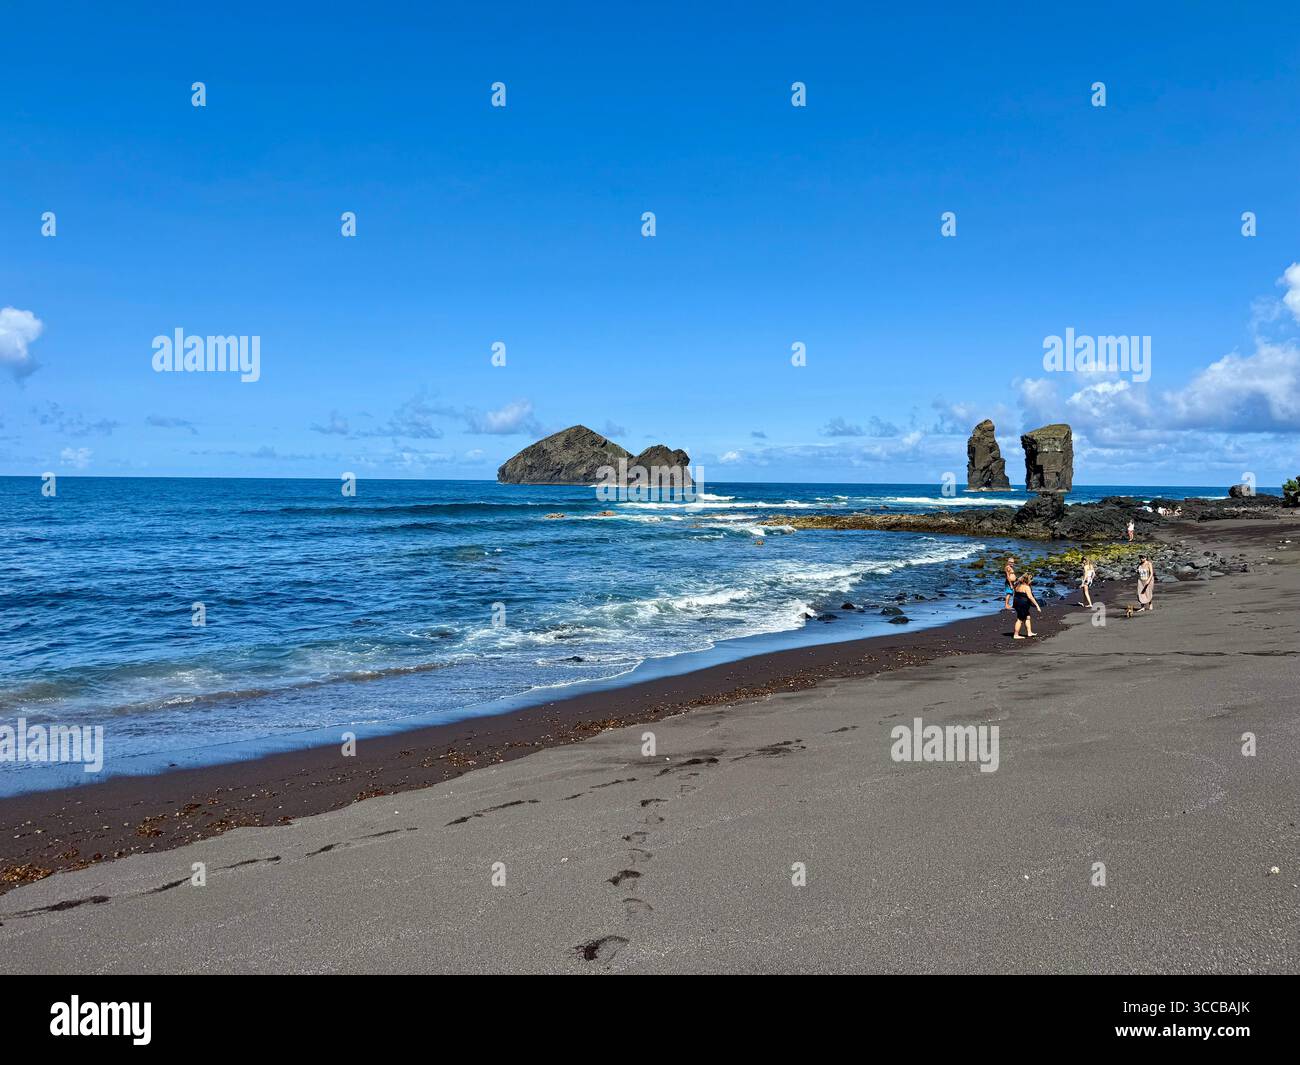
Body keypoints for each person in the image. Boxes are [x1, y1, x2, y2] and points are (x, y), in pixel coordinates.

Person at [1012, 571, 1042, 639]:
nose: (1032, 581)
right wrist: (1037, 606)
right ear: (1028, 579)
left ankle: (1029, 632)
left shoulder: (1017, 584)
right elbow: (1030, 597)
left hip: (1017, 602)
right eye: (1031, 579)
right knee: (1020, 619)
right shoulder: (1026, 587)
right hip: (1023, 604)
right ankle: (1016, 635)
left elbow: (1015, 593)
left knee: (1027, 617)